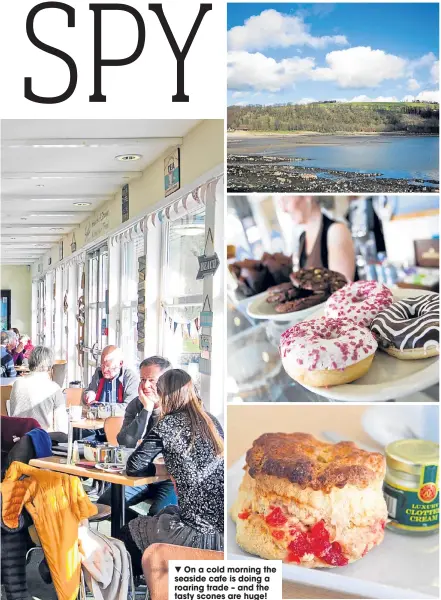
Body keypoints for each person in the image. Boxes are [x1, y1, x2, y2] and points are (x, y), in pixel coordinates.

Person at [119, 369, 224, 575]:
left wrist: (159, 468)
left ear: (165, 395)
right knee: (163, 513)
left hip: (196, 534)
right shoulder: (212, 421)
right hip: (222, 535)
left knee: (129, 533)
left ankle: (132, 586)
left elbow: (134, 465)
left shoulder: (168, 424)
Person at [98, 356, 177, 516]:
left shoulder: (176, 406)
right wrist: (147, 410)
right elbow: (125, 442)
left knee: (159, 515)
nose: (146, 385)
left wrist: (155, 412)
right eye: (142, 379)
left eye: (152, 380)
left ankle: (143, 530)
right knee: (107, 504)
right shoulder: (136, 404)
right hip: (140, 472)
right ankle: (136, 531)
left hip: (170, 478)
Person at [280, 196, 356, 282]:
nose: (284, 209)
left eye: (286, 201)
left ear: (307, 196)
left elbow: (342, 289)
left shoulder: (336, 231)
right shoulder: (303, 238)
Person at [9, 346, 68, 433]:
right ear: (49, 367)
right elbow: (61, 427)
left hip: (18, 440)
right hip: (41, 440)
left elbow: (13, 414)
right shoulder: (54, 388)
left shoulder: (17, 384)